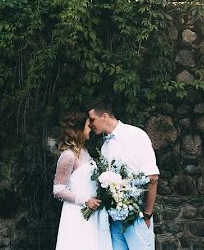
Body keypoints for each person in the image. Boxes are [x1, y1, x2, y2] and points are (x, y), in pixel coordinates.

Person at [87, 100, 159, 250]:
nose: (90, 125)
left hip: (137, 217)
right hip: (114, 220)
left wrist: (147, 215)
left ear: (104, 116)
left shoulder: (136, 135)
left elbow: (152, 177)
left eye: (92, 119)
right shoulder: (105, 145)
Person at [53, 111, 112, 250]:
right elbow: (58, 190)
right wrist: (85, 200)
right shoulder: (68, 156)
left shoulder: (84, 152)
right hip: (77, 214)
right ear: (78, 130)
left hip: (93, 212)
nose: (91, 128)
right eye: (87, 125)